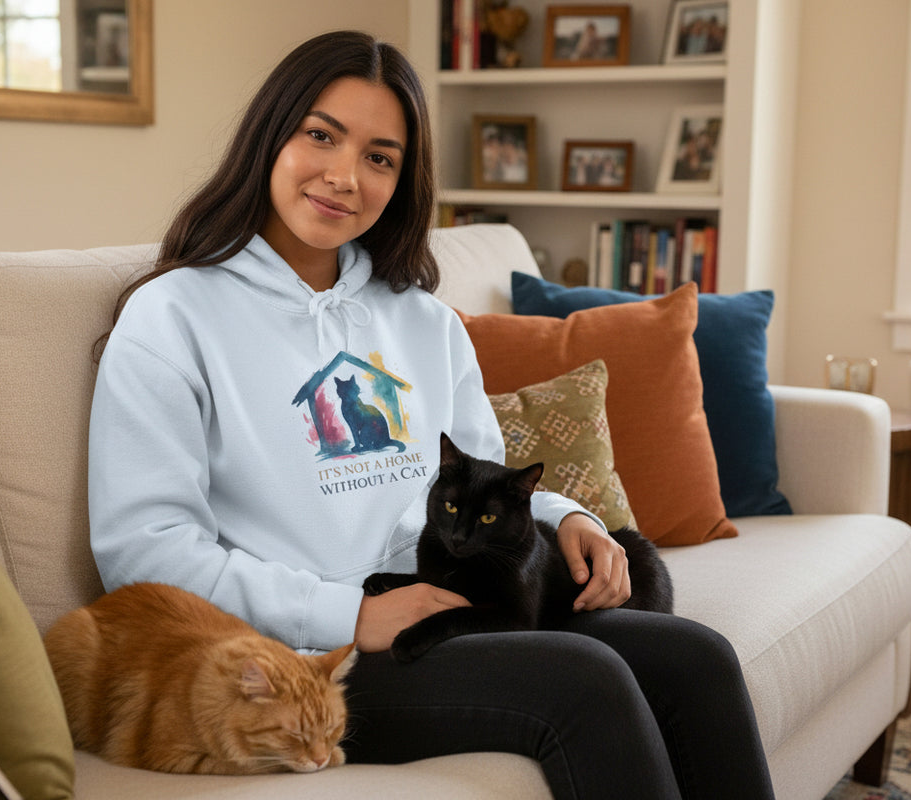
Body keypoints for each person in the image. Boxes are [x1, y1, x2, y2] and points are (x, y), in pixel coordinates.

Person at [88, 30, 775, 800]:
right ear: (270, 134)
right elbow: (143, 556)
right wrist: (351, 615)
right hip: (302, 666)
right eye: (322, 135)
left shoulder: (423, 321)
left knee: (698, 657)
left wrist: (569, 517)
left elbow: (479, 476)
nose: (345, 176)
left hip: (454, 607)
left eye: (380, 157)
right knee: (588, 682)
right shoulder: (172, 317)